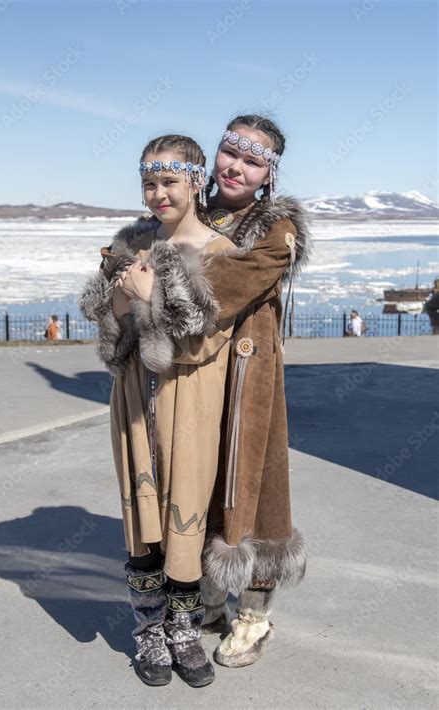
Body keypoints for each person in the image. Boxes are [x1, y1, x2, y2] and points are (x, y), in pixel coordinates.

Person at [115, 114, 313, 669]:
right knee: (194, 486)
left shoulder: (275, 232)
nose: (236, 167)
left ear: (268, 174)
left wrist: (152, 280)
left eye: (252, 161)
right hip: (195, 373)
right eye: (231, 153)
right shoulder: (196, 214)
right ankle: (200, 600)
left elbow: (222, 290)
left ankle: (253, 615)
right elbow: (135, 254)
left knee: (251, 488)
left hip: (246, 382)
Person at [80, 135, 237, 687]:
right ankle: (148, 630)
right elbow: (107, 332)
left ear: (196, 180)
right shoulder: (131, 243)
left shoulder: (219, 253)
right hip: (132, 401)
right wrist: (122, 301)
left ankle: (185, 629)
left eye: (169, 181)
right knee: (142, 523)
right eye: (149, 182)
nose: (158, 193)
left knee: (185, 512)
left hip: (189, 401)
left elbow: (203, 343)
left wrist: (147, 300)